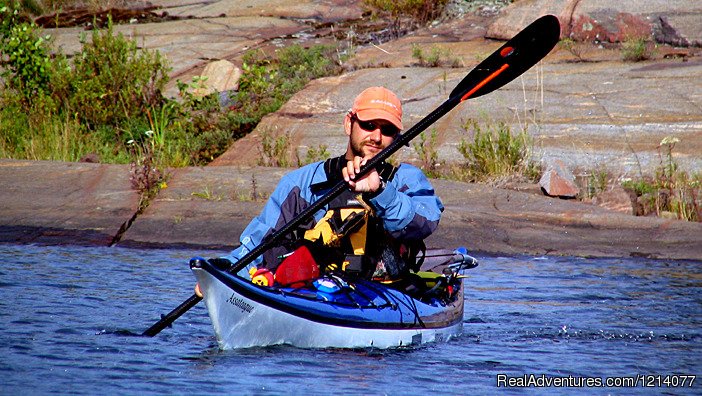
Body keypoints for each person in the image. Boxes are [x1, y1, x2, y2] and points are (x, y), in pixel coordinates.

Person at [223, 86, 444, 285]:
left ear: (396, 137)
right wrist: (221, 275)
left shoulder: (406, 179)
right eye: (368, 125)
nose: (376, 137)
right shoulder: (302, 182)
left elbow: (425, 222)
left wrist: (380, 191)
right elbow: (258, 240)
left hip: (385, 294)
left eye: (387, 130)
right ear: (349, 123)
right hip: (315, 291)